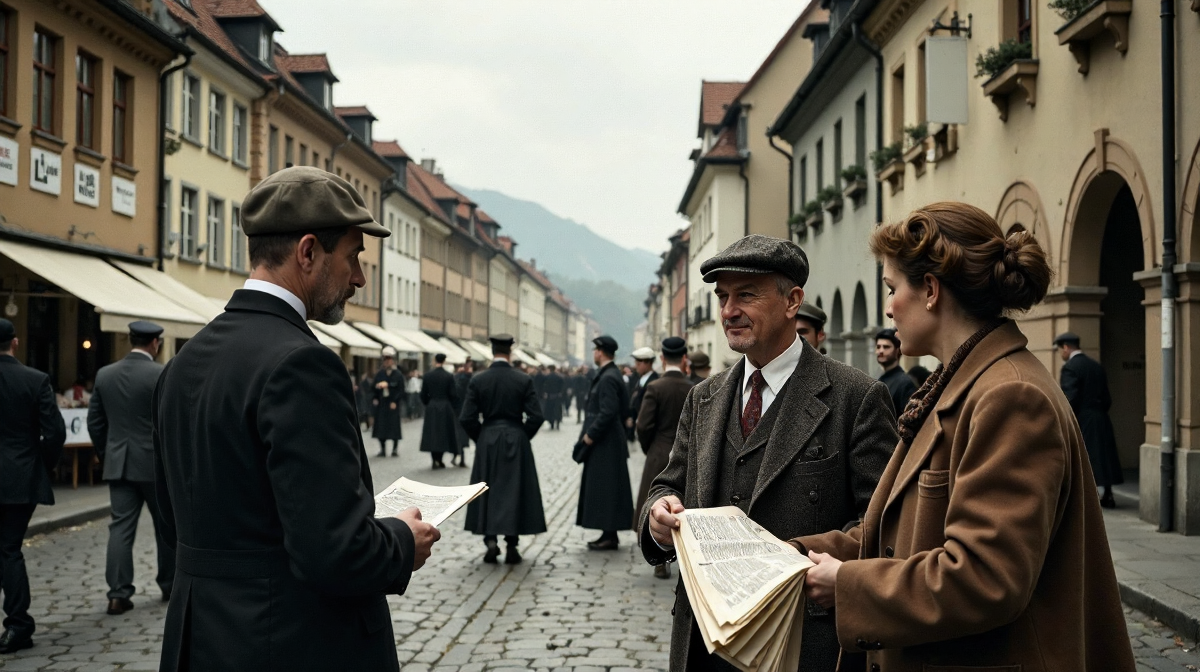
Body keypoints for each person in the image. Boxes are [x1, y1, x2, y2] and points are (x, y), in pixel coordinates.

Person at [795, 202, 1135, 671]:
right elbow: (901, 537)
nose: (889, 306)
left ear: (930, 290)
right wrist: (790, 554)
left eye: (893, 288)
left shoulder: (1011, 395)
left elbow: (986, 576)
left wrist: (849, 584)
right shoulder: (961, 382)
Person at [152, 167, 440, 671]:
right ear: (307, 252)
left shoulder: (184, 361)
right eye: (353, 257)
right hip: (288, 640)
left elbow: (173, 517)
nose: (359, 277)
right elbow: (335, 553)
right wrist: (400, 540)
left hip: (201, 639)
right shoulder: (302, 363)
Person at [640, 234, 897, 672]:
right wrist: (657, 515)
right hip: (705, 642)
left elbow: (883, 525)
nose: (728, 311)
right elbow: (669, 483)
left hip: (802, 640)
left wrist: (797, 562)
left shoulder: (856, 397)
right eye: (723, 297)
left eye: (746, 295)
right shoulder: (704, 398)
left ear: (792, 300)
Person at [87, 321, 176, 616]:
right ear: (155, 344)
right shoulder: (161, 373)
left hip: (119, 462)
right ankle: (169, 584)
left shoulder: (105, 374)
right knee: (166, 527)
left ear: (130, 340)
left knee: (120, 529)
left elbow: (95, 423)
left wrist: (108, 452)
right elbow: (170, 421)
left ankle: (118, 594)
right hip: (154, 464)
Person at [0, 318, 65, 653]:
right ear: (15, 342)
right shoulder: (35, 379)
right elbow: (55, 432)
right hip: (20, 476)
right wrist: (42, 465)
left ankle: (19, 624)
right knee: (9, 548)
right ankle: (18, 624)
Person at [461, 334, 546, 564]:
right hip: (515, 437)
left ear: (491, 352)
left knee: (487, 489)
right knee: (514, 490)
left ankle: (490, 540)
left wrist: (482, 437)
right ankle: (512, 545)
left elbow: (466, 417)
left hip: (488, 437)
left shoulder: (478, 380)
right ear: (510, 352)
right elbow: (537, 416)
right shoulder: (523, 379)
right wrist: (521, 436)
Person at [634, 337, 693, 580]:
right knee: (686, 506)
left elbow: (643, 425)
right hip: (689, 454)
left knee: (660, 506)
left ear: (661, 358)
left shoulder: (655, 387)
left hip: (659, 452)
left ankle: (661, 560)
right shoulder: (694, 387)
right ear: (683, 359)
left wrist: (651, 449)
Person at [576, 335, 634, 551]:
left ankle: (609, 534)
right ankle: (608, 532)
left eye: (595, 350)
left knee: (606, 487)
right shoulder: (611, 374)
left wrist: (591, 434)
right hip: (609, 440)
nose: (594, 353)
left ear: (600, 352)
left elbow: (608, 411)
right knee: (607, 487)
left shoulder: (608, 376)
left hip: (606, 441)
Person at [1054, 332, 1123, 508]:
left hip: (1083, 418)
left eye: (1060, 350)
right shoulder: (1096, 366)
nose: (1061, 354)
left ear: (1066, 347)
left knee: (1086, 457)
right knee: (1104, 455)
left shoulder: (1070, 368)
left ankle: (1087, 497)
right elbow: (1107, 398)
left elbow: (1070, 398)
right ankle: (1107, 493)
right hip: (1100, 416)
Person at [420, 354, 460, 470]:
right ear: (444, 361)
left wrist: (428, 403)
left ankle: (434, 459)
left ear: (434, 361)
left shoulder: (428, 376)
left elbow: (423, 394)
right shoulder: (448, 376)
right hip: (445, 406)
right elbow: (453, 394)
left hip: (432, 406)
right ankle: (440, 459)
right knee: (443, 434)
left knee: (432, 433)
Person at [876, 327, 917, 416]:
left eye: (886, 347)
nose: (881, 351)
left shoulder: (905, 383)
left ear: (897, 351)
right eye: (878, 347)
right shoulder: (880, 379)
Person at [372, 347, 405, 457]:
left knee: (394, 427)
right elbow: (373, 388)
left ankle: (395, 449)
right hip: (382, 403)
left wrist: (395, 400)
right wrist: (375, 397)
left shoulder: (398, 374)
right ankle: (382, 449)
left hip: (393, 404)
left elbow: (401, 390)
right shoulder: (380, 374)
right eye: (385, 360)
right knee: (381, 427)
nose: (387, 362)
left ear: (393, 361)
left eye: (389, 360)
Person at [626, 347, 658, 442]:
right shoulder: (640, 379)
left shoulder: (654, 381)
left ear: (647, 363)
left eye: (638, 364)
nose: (636, 367)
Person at [451, 359, 474, 467]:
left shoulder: (456, 378)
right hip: (464, 410)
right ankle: (460, 457)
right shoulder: (469, 379)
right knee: (462, 434)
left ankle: (458, 455)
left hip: (457, 409)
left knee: (458, 433)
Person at [541, 365, 566, 430]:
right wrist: (561, 393)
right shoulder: (559, 377)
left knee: (550, 411)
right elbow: (563, 387)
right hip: (557, 397)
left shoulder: (547, 377)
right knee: (557, 411)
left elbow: (544, 387)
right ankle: (557, 423)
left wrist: (545, 393)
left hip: (550, 397)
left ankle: (551, 424)